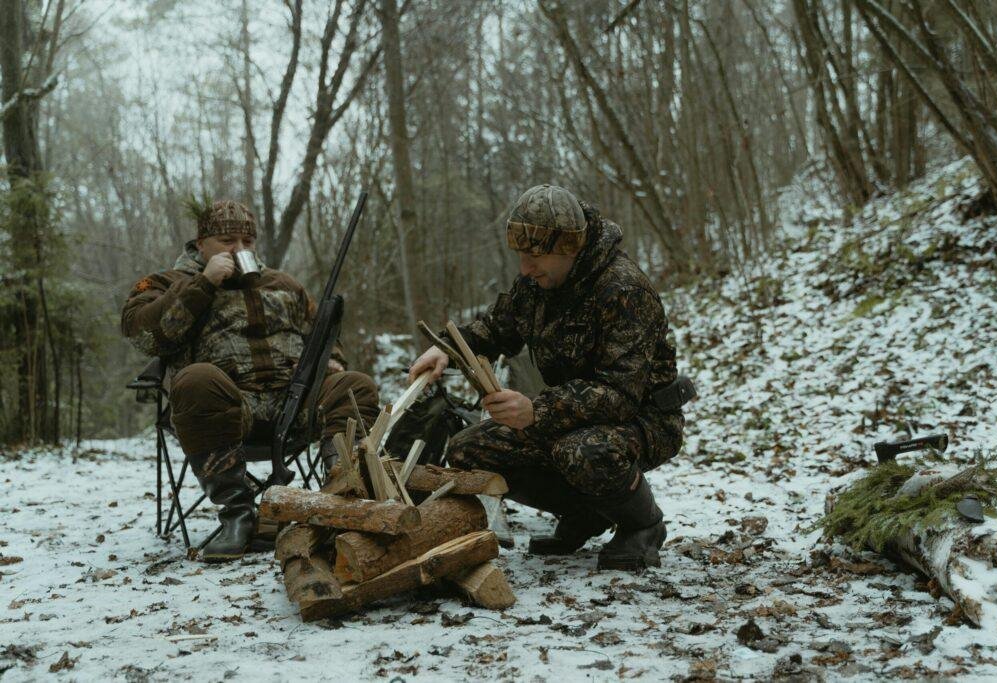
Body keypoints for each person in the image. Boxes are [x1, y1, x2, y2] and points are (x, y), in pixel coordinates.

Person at [409, 185, 686, 571]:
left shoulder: (623, 289)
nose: (525, 268)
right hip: (565, 417)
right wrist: (446, 350)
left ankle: (643, 524)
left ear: (570, 247)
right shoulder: (538, 285)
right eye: (521, 256)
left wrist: (536, 411)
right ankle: (587, 513)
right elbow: (495, 329)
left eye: (535, 256)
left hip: (644, 419)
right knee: (468, 450)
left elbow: (621, 393)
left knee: (582, 452)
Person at [121, 199, 379, 562]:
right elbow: (143, 335)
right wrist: (204, 283)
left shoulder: (284, 285)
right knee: (197, 379)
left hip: (294, 407)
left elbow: (323, 335)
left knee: (356, 385)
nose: (238, 250)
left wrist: (332, 360)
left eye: (247, 242)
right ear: (200, 244)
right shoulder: (168, 283)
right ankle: (238, 516)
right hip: (224, 412)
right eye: (226, 241)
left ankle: (341, 504)